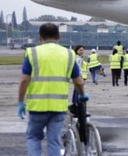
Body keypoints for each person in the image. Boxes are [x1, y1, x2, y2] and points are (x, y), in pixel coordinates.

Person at [17, 23, 88, 156]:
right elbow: (78, 81)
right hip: (58, 107)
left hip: (37, 107)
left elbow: (24, 80)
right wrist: (82, 94)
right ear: (59, 36)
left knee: (33, 137)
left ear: (40, 36)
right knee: (54, 141)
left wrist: (21, 101)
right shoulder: (68, 54)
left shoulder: (32, 53)